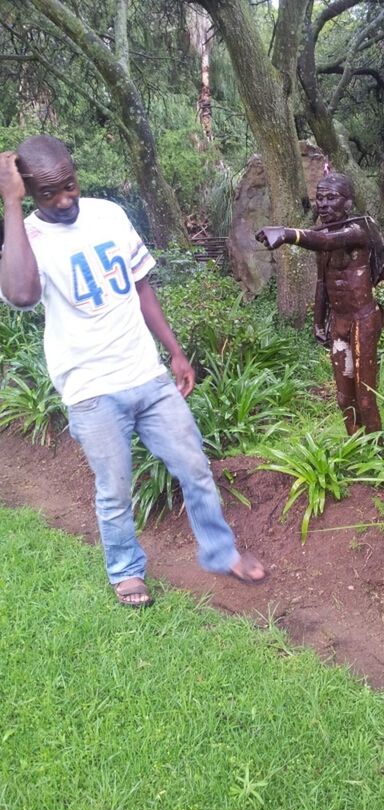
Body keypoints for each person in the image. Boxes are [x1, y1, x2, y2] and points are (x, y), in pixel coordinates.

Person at [0, 135, 264, 608]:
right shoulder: (29, 238)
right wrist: (13, 206)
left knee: (195, 467)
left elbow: (142, 288)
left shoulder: (109, 214)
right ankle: (126, 571)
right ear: (30, 193)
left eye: (70, 186)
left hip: (147, 374)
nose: (65, 201)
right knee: (115, 489)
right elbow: (20, 294)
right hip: (90, 389)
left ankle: (221, 552)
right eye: (48, 194)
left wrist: (176, 353)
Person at [255, 172, 384, 435]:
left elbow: (327, 242)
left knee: (364, 395)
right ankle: (356, 444)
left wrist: (287, 233)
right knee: (343, 396)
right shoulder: (322, 235)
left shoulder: (357, 230)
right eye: (319, 199)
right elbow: (322, 284)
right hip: (339, 322)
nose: (324, 204)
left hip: (363, 320)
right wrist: (319, 322)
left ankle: (378, 454)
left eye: (331, 198)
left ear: (348, 203)